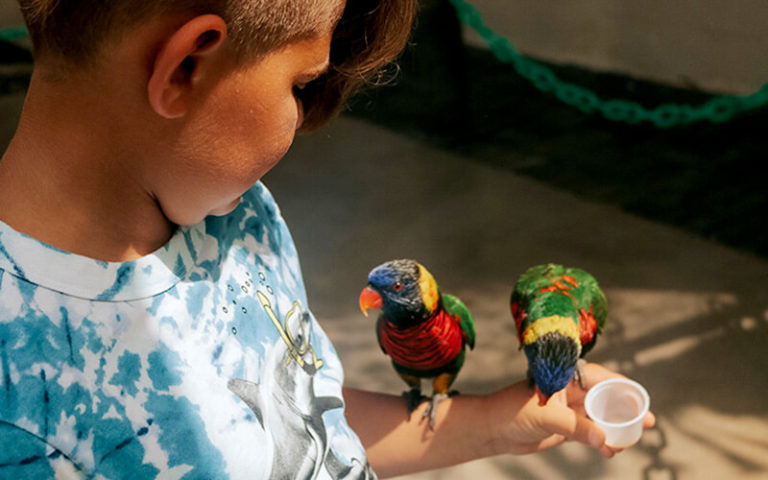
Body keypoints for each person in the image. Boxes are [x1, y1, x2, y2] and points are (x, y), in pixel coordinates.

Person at [0, 0, 655, 478]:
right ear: (185, 67)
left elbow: (306, 426)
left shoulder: (236, 216)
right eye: (303, 84)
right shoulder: (19, 396)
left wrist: (490, 423)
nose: (313, 119)